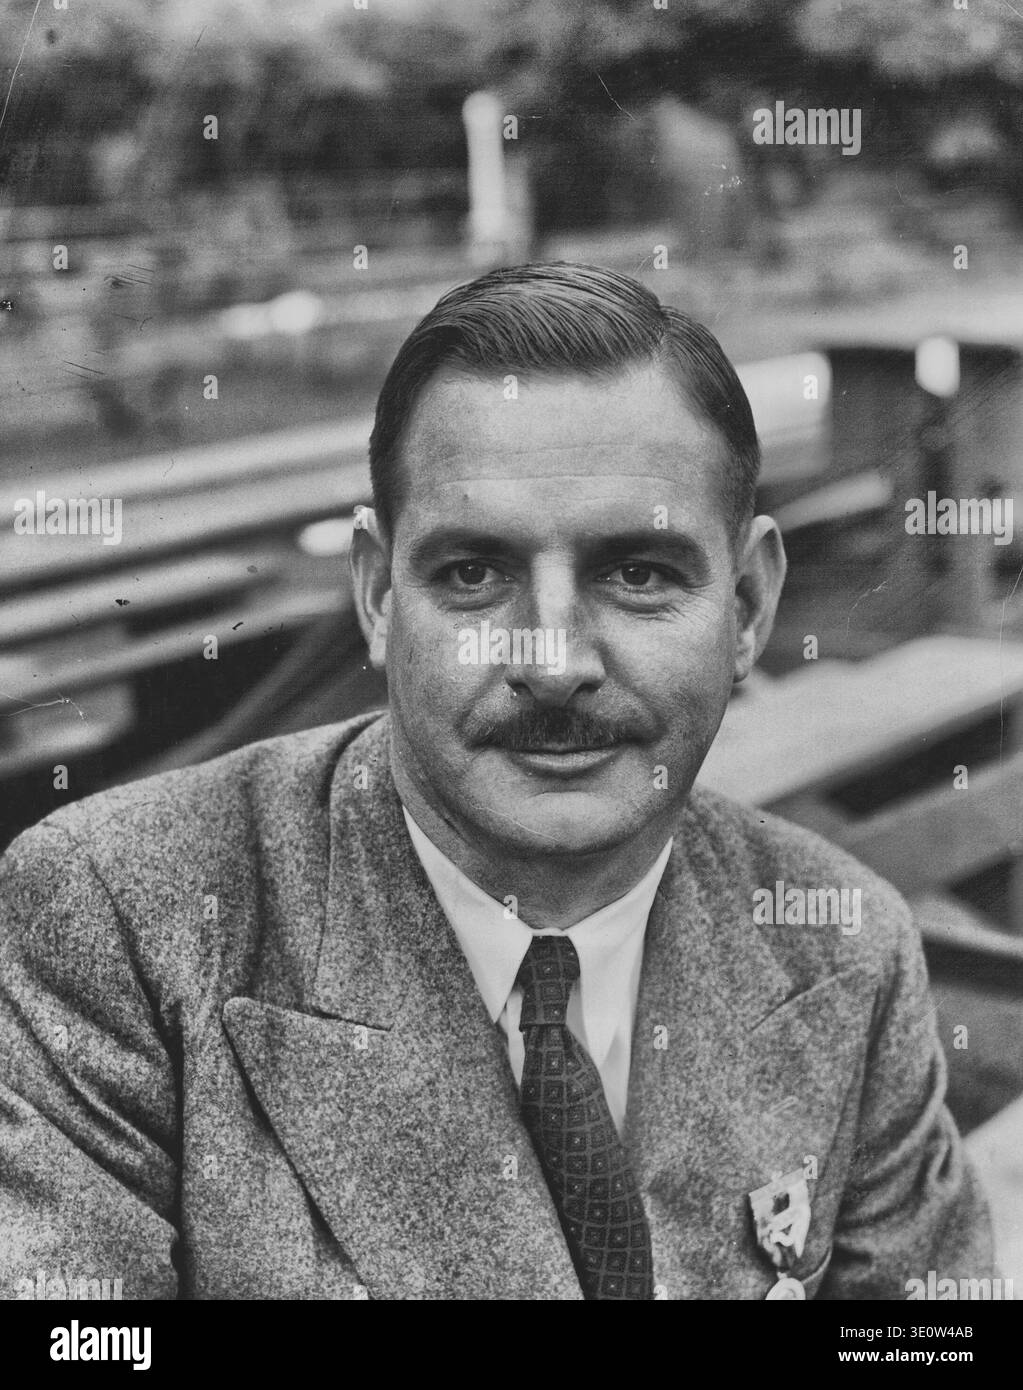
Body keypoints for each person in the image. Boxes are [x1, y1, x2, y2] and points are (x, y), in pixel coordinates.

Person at [0, 263, 992, 1300]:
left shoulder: (847, 953)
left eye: (637, 572)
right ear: (381, 597)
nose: (554, 658)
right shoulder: (119, 923)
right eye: (474, 572)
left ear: (747, 605)